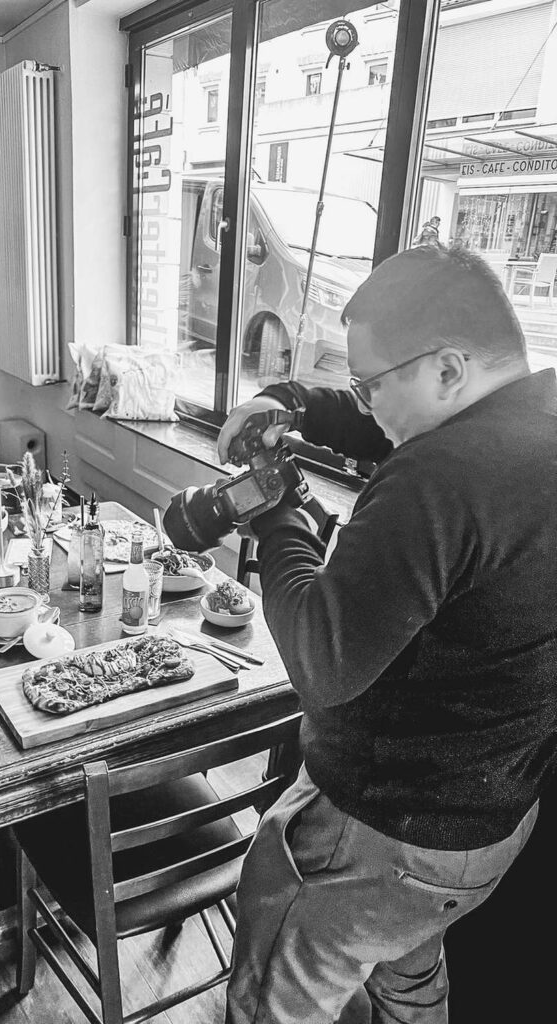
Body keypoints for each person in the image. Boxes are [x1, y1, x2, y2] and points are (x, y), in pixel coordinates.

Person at [217, 244, 556, 1024]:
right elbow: (404, 428)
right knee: (406, 977)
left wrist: (278, 521)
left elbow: (319, 661)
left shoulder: (438, 477)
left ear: (446, 369)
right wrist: (296, 402)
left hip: (379, 832)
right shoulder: (537, 422)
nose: (363, 403)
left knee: (277, 994)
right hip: (484, 830)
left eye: (370, 384)